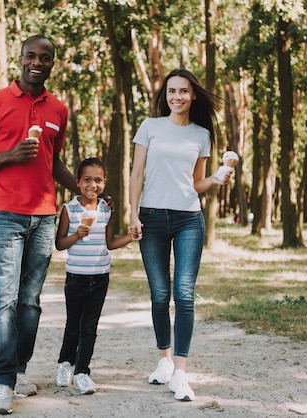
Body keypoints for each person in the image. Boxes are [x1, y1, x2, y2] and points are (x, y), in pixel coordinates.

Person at [0, 35, 79, 415]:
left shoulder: (58, 110)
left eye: (45, 57)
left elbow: (53, 161)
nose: (37, 62)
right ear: (21, 58)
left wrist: (84, 192)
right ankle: (1, 383)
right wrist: (10, 155)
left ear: (52, 63)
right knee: (4, 300)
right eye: (31, 55)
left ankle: (19, 372)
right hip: (5, 215)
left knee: (30, 303)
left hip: (44, 217)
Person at [129, 68, 231, 402]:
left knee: (184, 294)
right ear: (165, 95)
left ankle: (181, 373)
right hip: (152, 218)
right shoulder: (150, 127)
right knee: (160, 294)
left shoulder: (201, 134)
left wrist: (214, 179)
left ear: (193, 95)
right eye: (172, 91)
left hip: (188, 219)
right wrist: (133, 214)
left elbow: (195, 183)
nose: (177, 97)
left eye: (183, 91)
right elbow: (137, 174)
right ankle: (164, 361)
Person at [54, 158, 135, 395]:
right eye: (87, 179)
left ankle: (82, 372)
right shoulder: (70, 209)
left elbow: (109, 243)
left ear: (104, 183)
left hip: (100, 277)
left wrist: (131, 238)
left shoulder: (105, 209)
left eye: (98, 180)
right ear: (78, 182)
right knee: (73, 326)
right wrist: (76, 235)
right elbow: (59, 244)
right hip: (76, 277)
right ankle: (65, 364)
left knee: (89, 327)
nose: (93, 184)